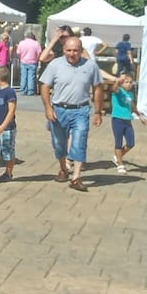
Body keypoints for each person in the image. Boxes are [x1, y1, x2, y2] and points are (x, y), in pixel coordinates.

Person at [39, 35, 104, 192]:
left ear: (81, 51)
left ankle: (76, 178)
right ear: (63, 50)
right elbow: (44, 86)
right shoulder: (55, 65)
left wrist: (98, 111)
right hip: (58, 109)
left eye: (75, 50)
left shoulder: (90, 66)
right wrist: (48, 108)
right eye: (68, 50)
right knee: (59, 143)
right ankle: (63, 169)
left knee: (79, 141)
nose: (72, 53)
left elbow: (98, 88)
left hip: (80, 109)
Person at [110, 72, 147, 174]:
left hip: (127, 121)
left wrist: (140, 116)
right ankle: (120, 164)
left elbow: (133, 107)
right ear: (122, 83)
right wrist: (118, 81)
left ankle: (117, 156)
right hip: (117, 120)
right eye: (126, 82)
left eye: (131, 82)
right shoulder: (118, 91)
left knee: (131, 143)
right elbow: (114, 88)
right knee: (118, 142)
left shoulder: (130, 94)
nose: (129, 84)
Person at [15, 31, 42, 96]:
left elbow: (18, 53)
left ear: (25, 36)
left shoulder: (21, 43)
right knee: (31, 77)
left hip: (23, 61)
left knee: (23, 76)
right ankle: (30, 91)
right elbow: (39, 53)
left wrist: (21, 58)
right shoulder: (36, 43)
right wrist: (37, 59)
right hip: (33, 62)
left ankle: (23, 91)